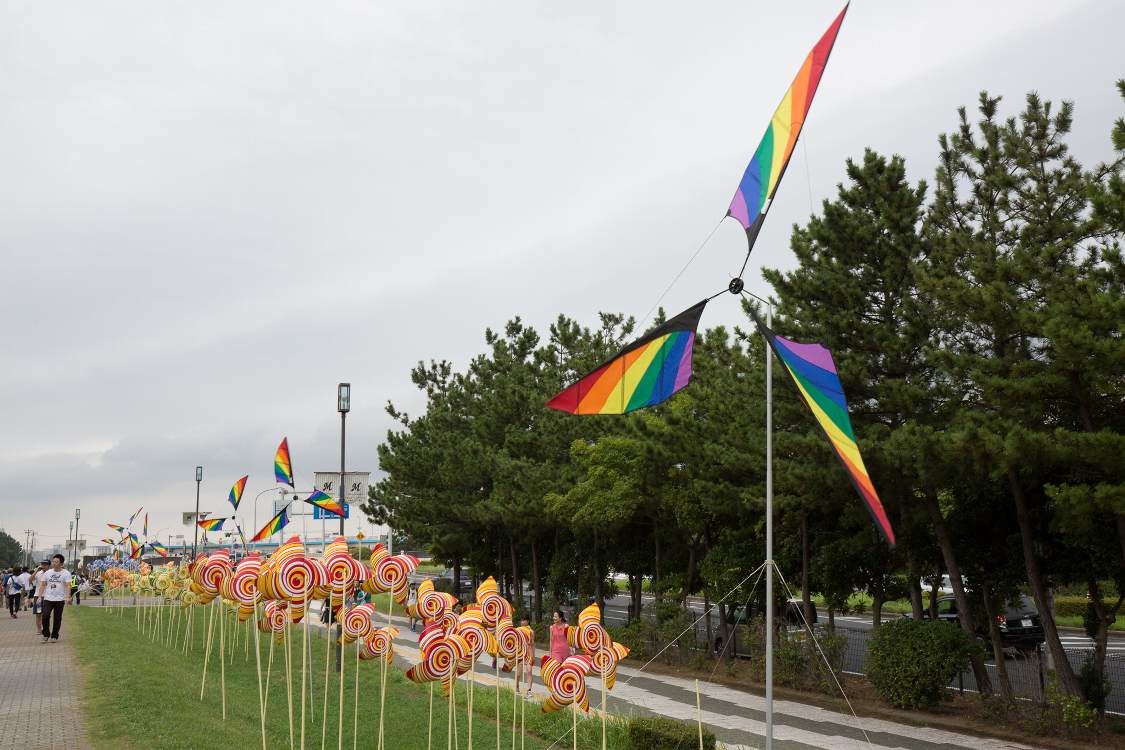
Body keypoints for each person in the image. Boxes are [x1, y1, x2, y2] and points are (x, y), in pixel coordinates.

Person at [37, 554, 72, 643]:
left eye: (56, 562)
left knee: (57, 618)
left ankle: (54, 635)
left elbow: (68, 586)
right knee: (45, 616)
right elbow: (43, 585)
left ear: (61, 563)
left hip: (60, 599)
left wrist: (68, 597)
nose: (54, 563)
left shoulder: (66, 573)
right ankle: (46, 634)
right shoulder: (48, 573)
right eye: (53, 561)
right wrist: (39, 597)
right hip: (48, 598)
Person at [515, 614, 536, 699]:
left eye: (524, 620)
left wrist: (533, 655)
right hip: (520, 652)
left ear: (528, 621)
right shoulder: (517, 630)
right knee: (519, 672)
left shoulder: (531, 631)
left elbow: (533, 643)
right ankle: (517, 685)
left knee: (529, 671)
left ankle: (529, 690)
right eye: (521, 620)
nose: (522, 622)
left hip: (529, 653)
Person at [30, 560, 48, 634]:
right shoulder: (38, 573)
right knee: (38, 613)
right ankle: (39, 629)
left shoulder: (50, 574)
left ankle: (45, 628)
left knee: (46, 614)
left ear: (48, 566)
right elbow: (30, 580)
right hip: (38, 596)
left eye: (45, 565)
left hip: (47, 596)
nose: (43, 566)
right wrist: (37, 569)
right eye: (42, 564)